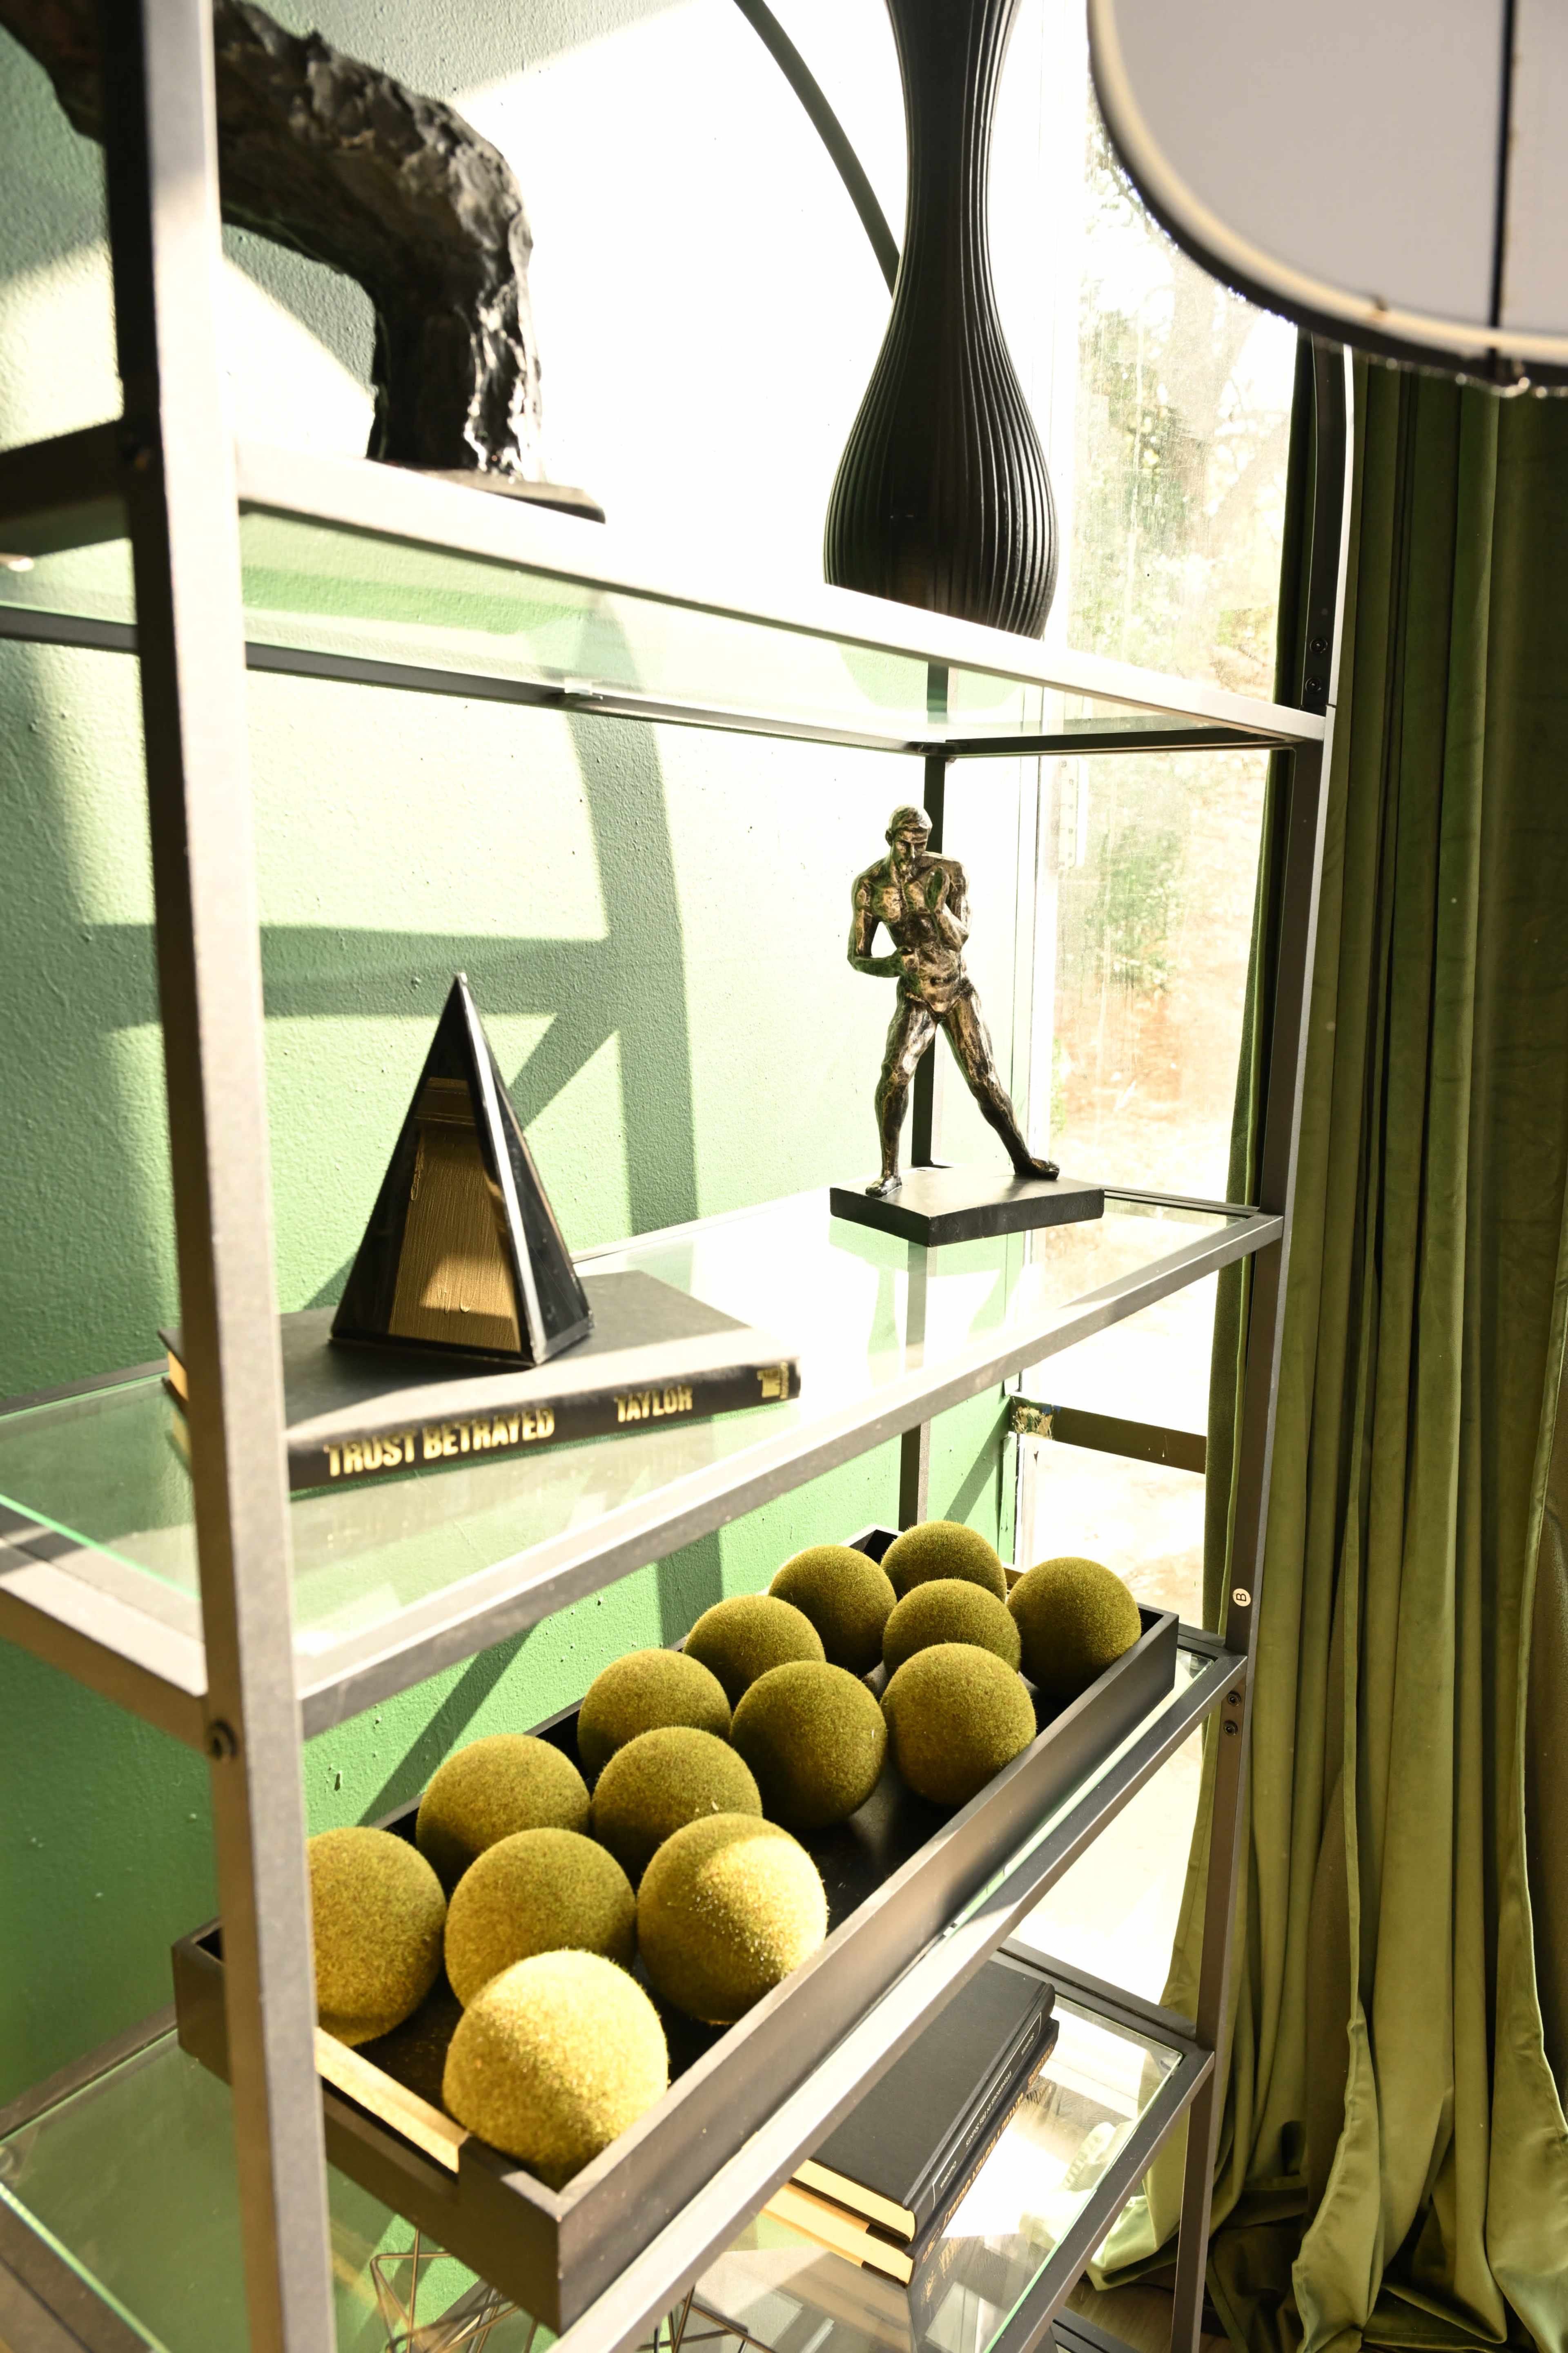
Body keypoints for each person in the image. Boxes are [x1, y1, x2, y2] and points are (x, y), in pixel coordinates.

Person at [848, 805, 1058, 1198]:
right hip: (916, 992)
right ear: (889, 838)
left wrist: (937, 907)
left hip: (956, 988)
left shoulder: (948, 872)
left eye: (920, 844)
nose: (912, 854)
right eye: (905, 845)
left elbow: (959, 939)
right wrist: (892, 963)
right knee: (894, 1075)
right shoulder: (870, 886)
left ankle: (1022, 1158)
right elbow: (857, 957)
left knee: (984, 1080)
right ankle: (890, 1170)